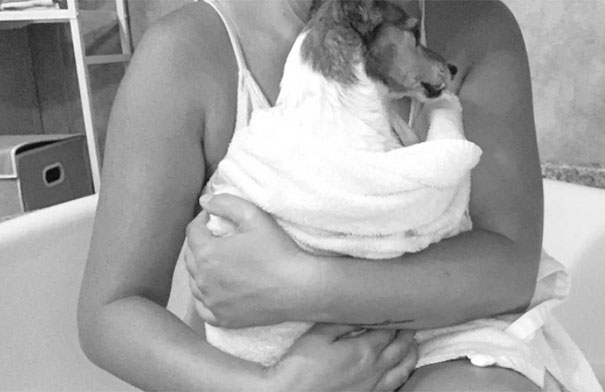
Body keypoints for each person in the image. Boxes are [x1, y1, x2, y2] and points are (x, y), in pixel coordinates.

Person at [78, 0, 548, 391]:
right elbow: (111, 312)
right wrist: (269, 388)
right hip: (253, 367)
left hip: (444, 335)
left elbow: (510, 270)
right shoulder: (187, 55)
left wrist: (303, 285)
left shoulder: (477, 28)